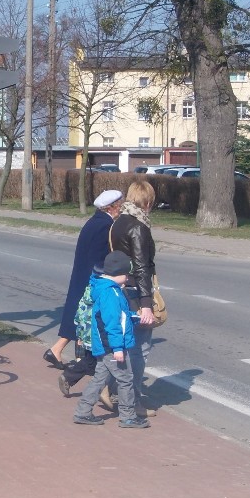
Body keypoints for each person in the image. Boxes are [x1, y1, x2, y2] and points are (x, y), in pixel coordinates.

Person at [46, 190, 123, 369]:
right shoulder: (105, 225)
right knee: (84, 317)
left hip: (83, 274)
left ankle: (62, 352)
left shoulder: (96, 221)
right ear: (111, 207)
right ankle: (76, 358)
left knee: (79, 315)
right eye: (120, 205)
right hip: (90, 277)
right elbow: (100, 255)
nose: (121, 209)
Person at [72, 250, 149, 428]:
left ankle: (82, 412)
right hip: (113, 346)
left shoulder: (109, 289)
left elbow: (119, 317)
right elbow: (112, 324)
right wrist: (118, 348)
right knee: (126, 379)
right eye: (127, 275)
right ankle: (128, 416)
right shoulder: (110, 294)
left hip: (106, 345)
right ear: (118, 274)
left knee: (100, 379)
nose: (128, 278)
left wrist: (134, 317)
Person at [109, 179, 159, 419]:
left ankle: (112, 390)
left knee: (122, 344)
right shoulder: (139, 227)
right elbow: (141, 267)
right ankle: (134, 400)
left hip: (118, 287)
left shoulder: (118, 222)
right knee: (140, 348)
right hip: (134, 292)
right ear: (147, 201)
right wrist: (146, 305)